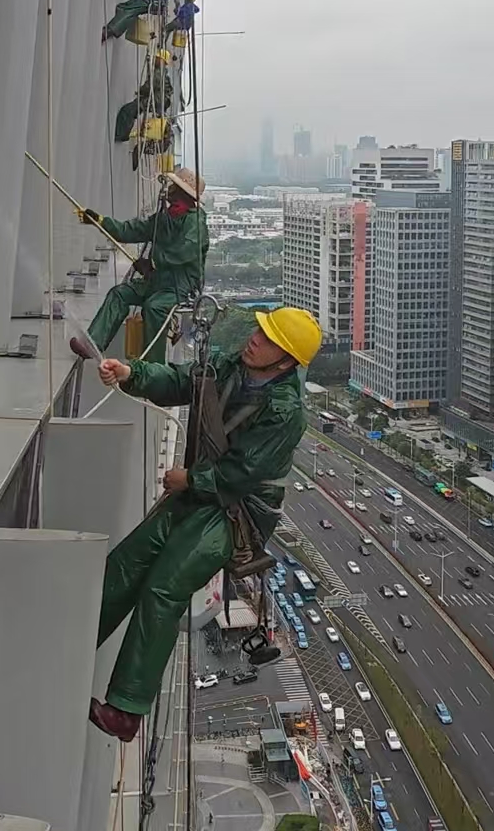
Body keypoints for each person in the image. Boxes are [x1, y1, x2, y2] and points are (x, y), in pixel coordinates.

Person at [87, 306, 322, 742]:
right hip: (201, 492)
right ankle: (74, 645)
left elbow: (244, 472)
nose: (255, 339)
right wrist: (131, 374)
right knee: (126, 563)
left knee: (166, 584)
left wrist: (189, 478)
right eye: (259, 331)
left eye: (268, 339)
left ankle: (127, 709)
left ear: (286, 361)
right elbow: (185, 381)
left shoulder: (285, 411)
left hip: (238, 512)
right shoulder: (235, 367)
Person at [69, 167, 207, 364]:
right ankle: (93, 344)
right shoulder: (165, 217)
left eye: (173, 186)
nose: (168, 189)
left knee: (154, 307)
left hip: (180, 287)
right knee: (120, 294)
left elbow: (185, 251)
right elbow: (131, 231)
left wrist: (152, 262)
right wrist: (100, 221)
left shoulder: (195, 222)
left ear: (182, 193)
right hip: (158, 282)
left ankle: (154, 369)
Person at [114, 48, 173, 143]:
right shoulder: (162, 72)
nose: (155, 59)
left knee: (128, 110)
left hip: (155, 100)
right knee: (133, 110)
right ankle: (123, 134)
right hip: (157, 101)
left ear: (162, 60)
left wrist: (141, 90)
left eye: (157, 58)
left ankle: (120, 134)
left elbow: (149, 86)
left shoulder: (159, 73)